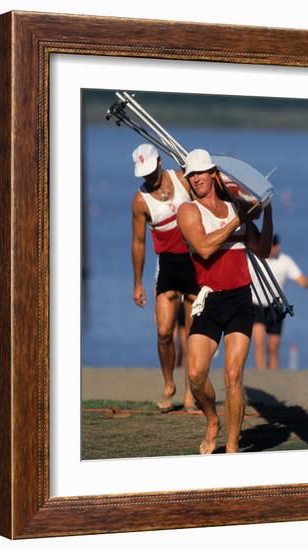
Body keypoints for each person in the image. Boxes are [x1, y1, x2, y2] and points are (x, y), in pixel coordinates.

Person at [177, 149, 273, 454]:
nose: (196, 179)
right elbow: (204, 249)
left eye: (201, 172)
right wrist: (238, 221)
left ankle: (231, 450)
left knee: (233, 376)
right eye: (191, 174)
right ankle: (211, 420)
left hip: (240, 299)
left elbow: (262, 249)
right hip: (209, 301)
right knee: (195, 375)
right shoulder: (189, 212)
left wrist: (267, 211)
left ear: (213, 174)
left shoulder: (236, 206)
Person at [131, 143, 198, 411]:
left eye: (151, 170)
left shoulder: (182, 179)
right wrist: (137, 282)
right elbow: (138, 243)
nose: (149, 177)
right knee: (163, 333)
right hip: (167, 266)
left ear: (159, 161)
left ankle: (191, 392)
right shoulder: (140, 201)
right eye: (143, 174)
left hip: (194, 263)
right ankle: (169, 383)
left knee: (194, 334)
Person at [250, 233, 308, 370]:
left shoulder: (285, 261)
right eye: (274, 245)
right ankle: (261, 376)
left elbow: (300, 279)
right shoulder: (254, 260)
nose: (278, 248)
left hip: (277, 307)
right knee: (259, 343)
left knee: (273, 347)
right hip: (256, 305)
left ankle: (273, 377)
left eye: (277, 244)